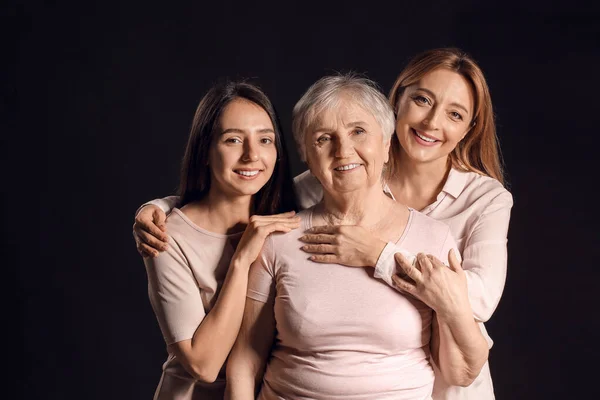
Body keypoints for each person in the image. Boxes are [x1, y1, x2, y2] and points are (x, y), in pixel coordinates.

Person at [134, 48, 513, 399]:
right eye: (422, 100)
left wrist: (377, 253)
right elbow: (247, 184)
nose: (343, 150)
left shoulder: (478, 205)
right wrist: (161, 207)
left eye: (455, 113)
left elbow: (479, 304)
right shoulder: (303, 201)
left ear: (382, 143)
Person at [225, 73, 489, 399]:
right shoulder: (278, 238)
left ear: (387, 145)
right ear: (307, 155)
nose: (343, 150)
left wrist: (451, 304)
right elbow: (245, 360)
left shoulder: (433, 240)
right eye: (324, 138)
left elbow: (460, 372)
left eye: (358, 132)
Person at [142, 80, 299, 399]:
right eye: (233, 140)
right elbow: (203, 364)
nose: (252, 155)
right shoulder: (168, 237)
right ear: (205, 151)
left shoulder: (291, 214)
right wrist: (242, 260)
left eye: (265, 140)